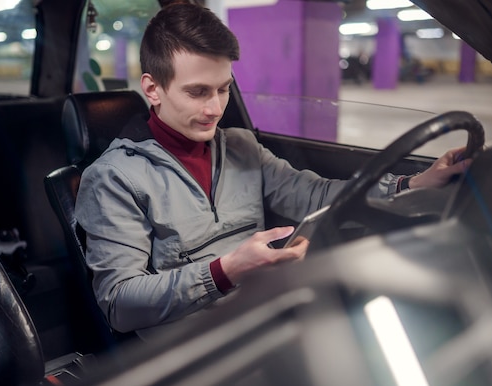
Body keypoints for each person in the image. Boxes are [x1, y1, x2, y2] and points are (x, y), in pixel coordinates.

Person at [75, 2, 471, 340]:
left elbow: (315, 195)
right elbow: (119, 304)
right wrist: (226, 270)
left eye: (223, 88)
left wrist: (413, 183)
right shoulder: (113, 178)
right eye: (198, 92)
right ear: (153, 89)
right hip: (191, 348)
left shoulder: (242, 147)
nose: (215, 108)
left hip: (266, 315)